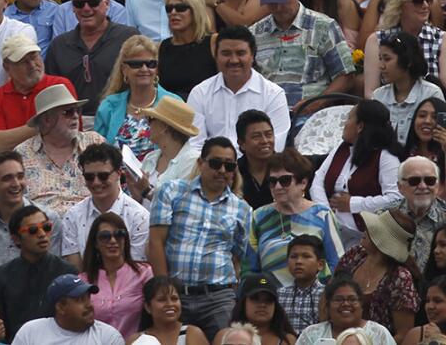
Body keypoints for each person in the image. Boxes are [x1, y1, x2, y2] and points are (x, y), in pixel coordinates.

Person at [147, 137, 257, 338]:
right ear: (200, 163)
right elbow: (155, 242)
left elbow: (237, 257)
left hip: (218, 296)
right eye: (215, 163)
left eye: (229, 165)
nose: (222, 170)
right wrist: (165, 288)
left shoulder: (242, 209)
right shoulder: (171, 191)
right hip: (176, 293)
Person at [251, 0, 359, 109]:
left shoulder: (324, 26)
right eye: (271, 3)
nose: (277, 8)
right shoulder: (255, 32)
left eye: (282, 1)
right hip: (267, 113)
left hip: (311, 114)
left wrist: (317, 102)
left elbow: (346, 76)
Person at [187, 26, 292, 155]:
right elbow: (194, 145)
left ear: (253, 56)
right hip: (211, 168)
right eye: (226, 53)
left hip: (255, 168)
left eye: (240, 53)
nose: (234, 60)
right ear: (215, 56)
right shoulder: (199, 93)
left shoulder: (274, 95)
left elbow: (274, 146)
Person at [311, 100, 404, 245]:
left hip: (366, 237)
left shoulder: (386, 157)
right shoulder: (341, 148)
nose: (345, 124)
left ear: (360, 126)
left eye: (349, 119)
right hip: (330, 227)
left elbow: (396, 200)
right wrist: (325, 213)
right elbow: (318, 180)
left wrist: (353, 204)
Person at [249, 149, 343, 285]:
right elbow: (252, 270)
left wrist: (328, 296)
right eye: (272, 181)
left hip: (315, 297)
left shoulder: (322, 214)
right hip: (273, 299)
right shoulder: (259, 217)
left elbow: (337, 264)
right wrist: (263, 287)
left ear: (303, 183)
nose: (277, 186)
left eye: (285, 180)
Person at [0, 151, 64, 277]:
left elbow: (55, 271)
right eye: (7, 178)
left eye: (20, 176)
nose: (16, 184)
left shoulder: (49, 219)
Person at [0, 205, 80, 338]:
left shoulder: (67, 273)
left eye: (46, 227)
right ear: (16, 238)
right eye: (33, 230)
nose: (42, 234)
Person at [0, 33, 80, 153]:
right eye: (23, 61)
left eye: (34, 57)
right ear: (7, 68)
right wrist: (44, 124)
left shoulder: (60, 85)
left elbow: (70, 132)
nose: (32, 65)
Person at [46, 0, 140, 101]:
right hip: (73, 117)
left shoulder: (128, 38)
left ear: (106, 4)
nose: (86, 8)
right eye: (79, 3)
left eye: (93, 2)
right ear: (73, 7)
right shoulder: (59, 46)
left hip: (117, 116)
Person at [17, 84, 107, 215]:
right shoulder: (22, 154)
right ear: (47, 120)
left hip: (92, 225)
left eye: (78, 110)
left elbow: (114, 188)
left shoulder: (95, 143)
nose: (76, 116)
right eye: (68, 112)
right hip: (43, 230)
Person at [60, 144, 151, 268]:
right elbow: (76, 269)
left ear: (119, 173)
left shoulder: (140, 217)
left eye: (103, 176)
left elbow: (137, 271)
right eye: (89, 177)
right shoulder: (72, 216)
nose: (96, 182)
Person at [363, 0, 446, 96]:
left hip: (429, 109)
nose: (426, 5)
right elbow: (370, 92)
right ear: (399, 4)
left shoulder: (444, 40)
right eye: (418, 1)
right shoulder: (376, 40)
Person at [333, 211, 420, 338]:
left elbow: (403, 332)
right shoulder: (355, 254)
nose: (365, 231)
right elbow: (329, 294)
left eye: (373, 229)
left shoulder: (399, 277)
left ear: (383, 240)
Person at [93, 35, 176, 155]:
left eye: (151, 64)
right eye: (136, 64)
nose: (144, 69)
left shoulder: (173, 103)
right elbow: (98, 153)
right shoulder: (108, 106)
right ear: (124, 69)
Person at [389, 155, 446, 272]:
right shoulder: (386, 216)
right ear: (400, 187)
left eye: (430, 181)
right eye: (414, 181)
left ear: (438, 186)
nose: (423, 186)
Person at [80, 213, 155, 337]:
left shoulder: (144, 273)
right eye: (105, 236)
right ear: (96, 243)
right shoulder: (83, 281)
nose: (113, 241)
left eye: (119, 234)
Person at [9, 273, 127, 345]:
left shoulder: (108, 337)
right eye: (80, 300)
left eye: (88, 298)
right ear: (60, 307)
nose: (89, 305)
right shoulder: (30, 332)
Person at [371, 31, 445, 146]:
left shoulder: (432, 93)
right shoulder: (378, 96)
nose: (381, 66)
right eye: (380, 59)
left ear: (408, 61)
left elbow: (440, 138)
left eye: (387, 59)